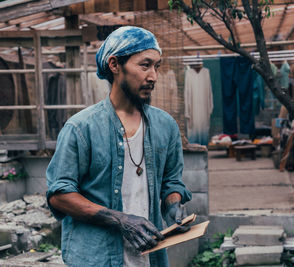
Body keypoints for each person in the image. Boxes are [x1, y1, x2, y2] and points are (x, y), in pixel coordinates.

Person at [46, 26, 192, 267]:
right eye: (145, 65)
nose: (153, 76)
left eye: (156, 66)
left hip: (149, 257)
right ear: (115, 65)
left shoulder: (165, 126)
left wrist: (173, 205)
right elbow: (59, 196)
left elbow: (171, 182)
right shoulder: (81, 128)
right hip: (96, 258)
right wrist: (120, 220)